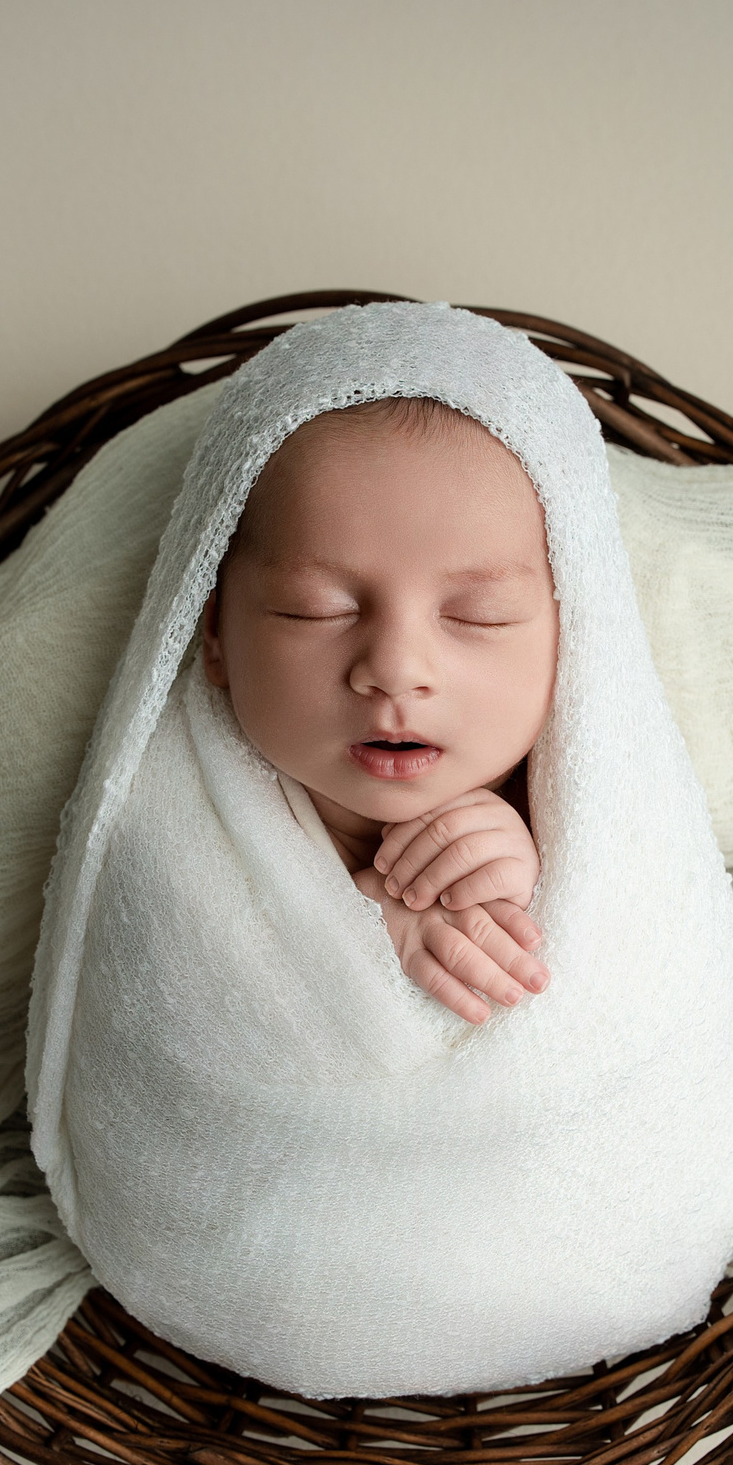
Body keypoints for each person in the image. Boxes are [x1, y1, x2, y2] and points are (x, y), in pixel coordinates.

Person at [198, 394, 555, 1023]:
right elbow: (165, 1018)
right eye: (317, 609)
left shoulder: (598, 818)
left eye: (480, 616)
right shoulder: (184, 821)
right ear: (215, 632)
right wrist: (346, 942)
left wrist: (537, 889)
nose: (395, 670)